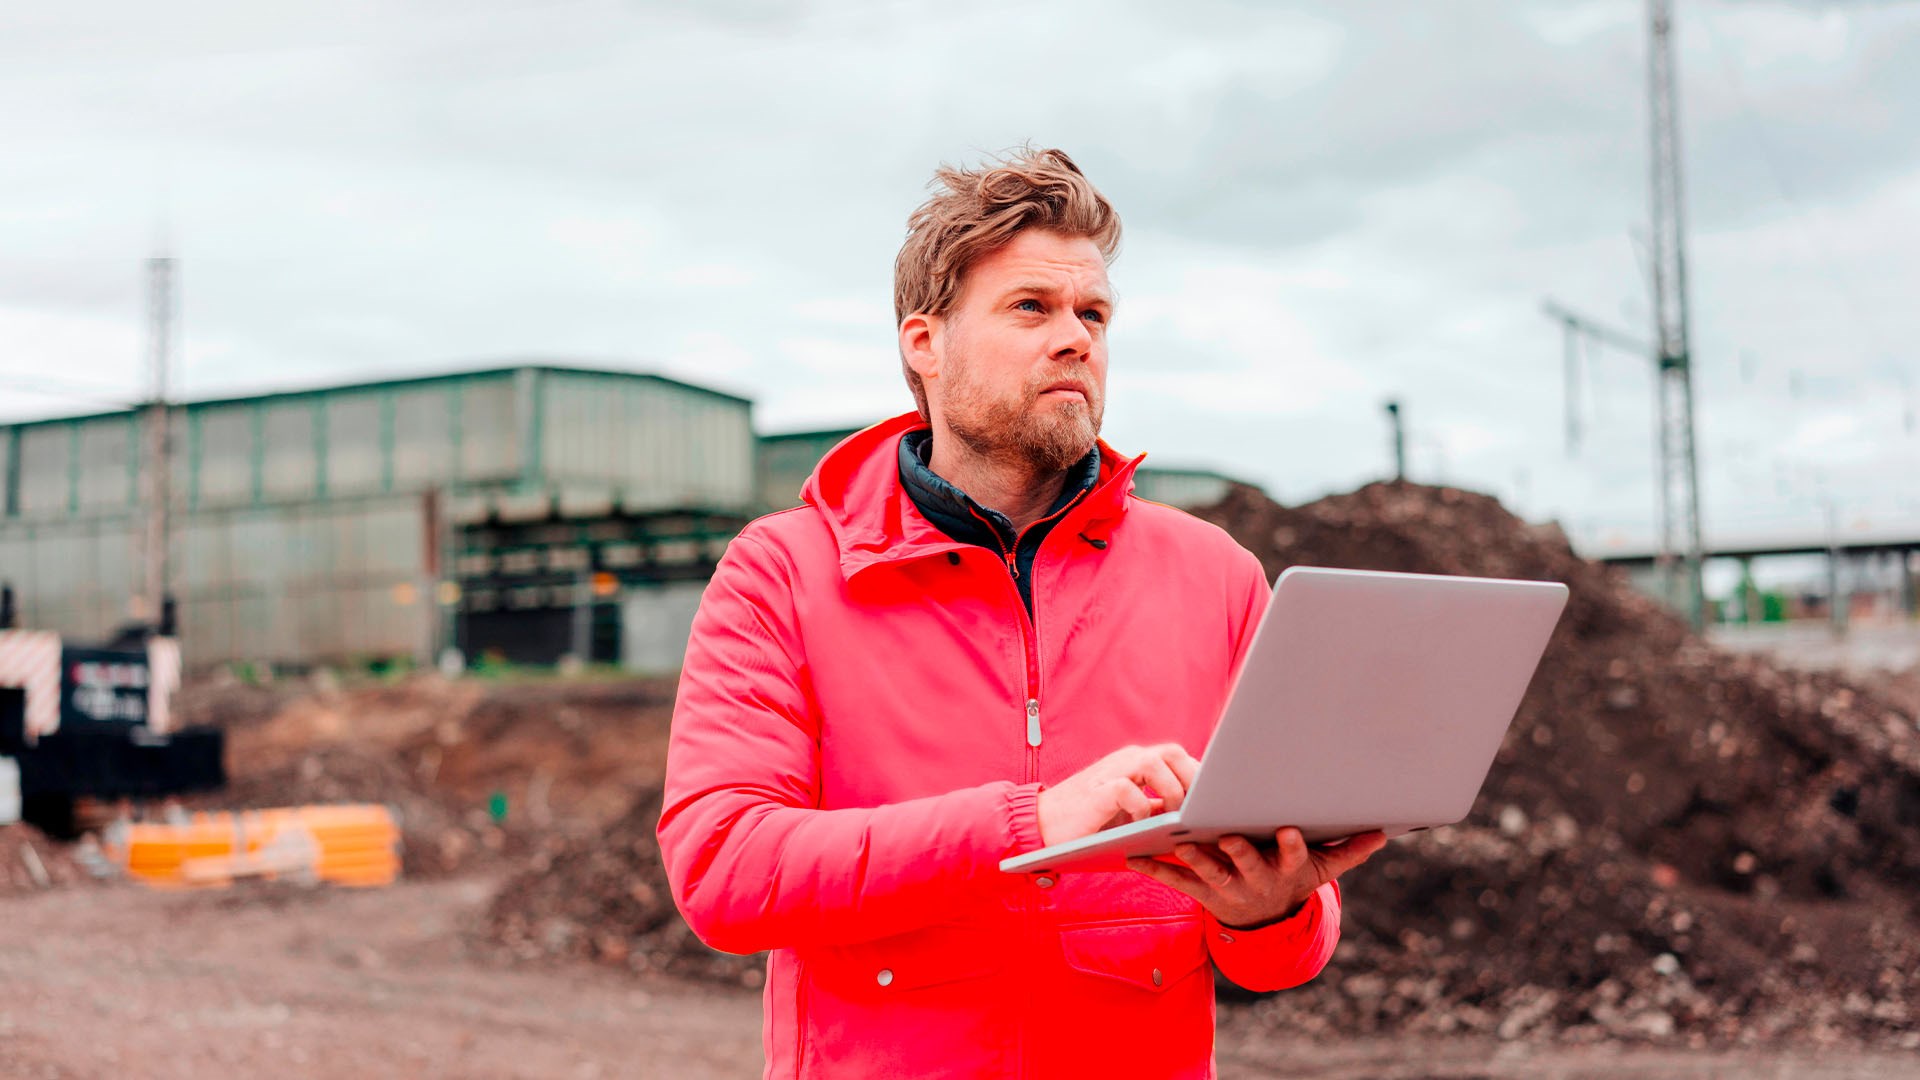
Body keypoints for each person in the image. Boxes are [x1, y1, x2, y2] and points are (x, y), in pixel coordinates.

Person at [658, 147, 1386, 1078]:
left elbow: (1286, 952)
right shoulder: (784, 574)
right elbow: (724, 869)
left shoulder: (1214, 575)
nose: (1076, 337)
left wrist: (1271, 908)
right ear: (924, 344)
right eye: (1031, 308)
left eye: (1094, 314)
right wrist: (1030, 825)